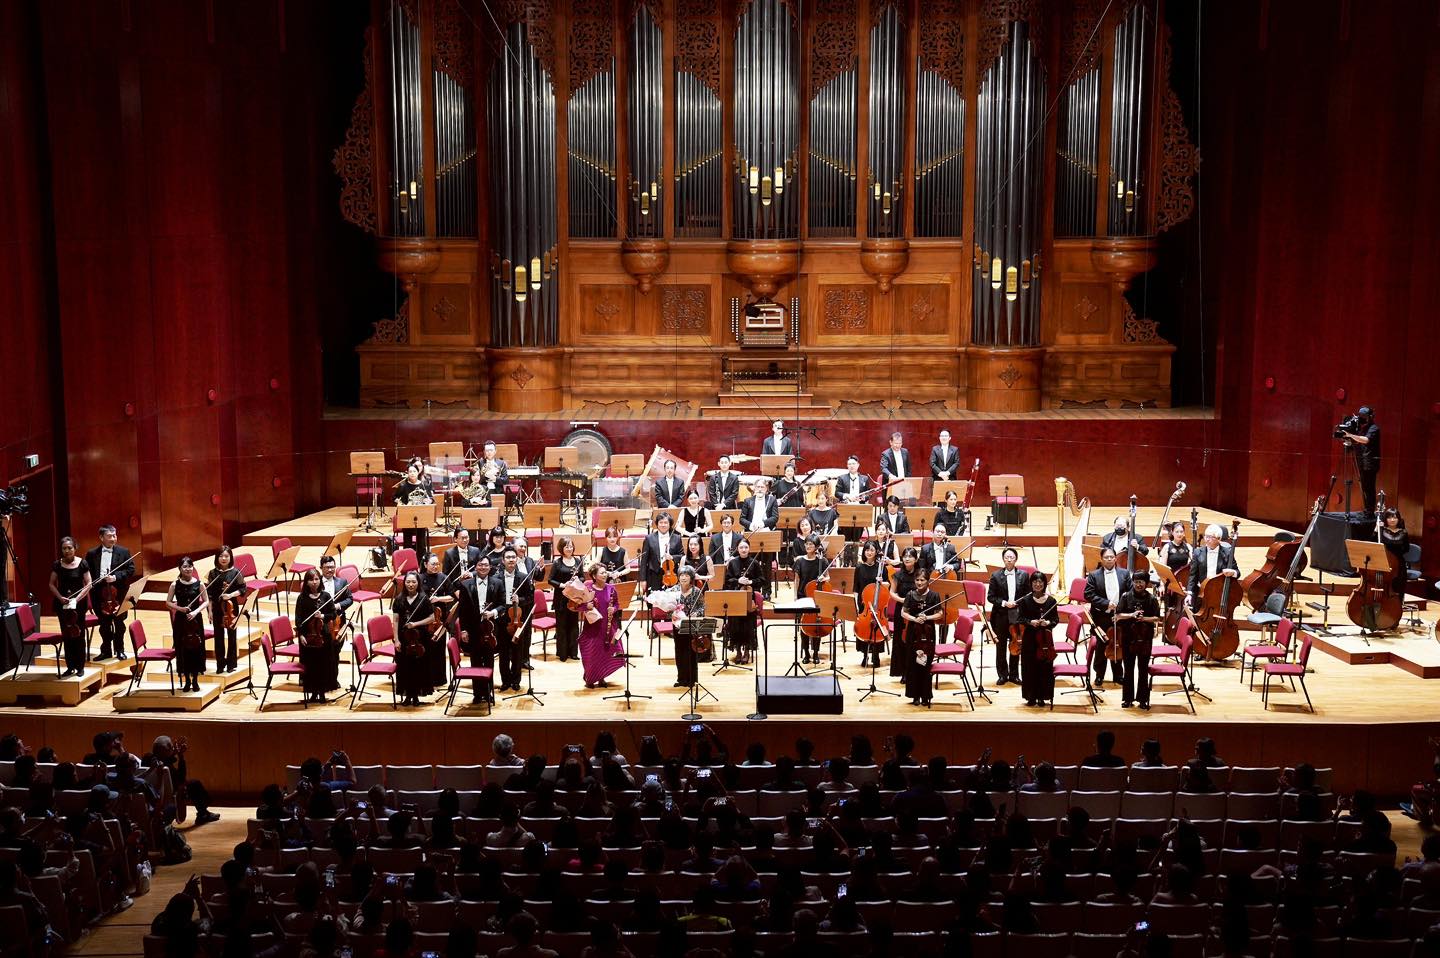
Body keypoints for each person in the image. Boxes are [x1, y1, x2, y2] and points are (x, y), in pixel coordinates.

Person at [85, 524, 134, 661]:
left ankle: (120, 650)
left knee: (119, 625)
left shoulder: (124, 552)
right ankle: (106, 651)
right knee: (104, 625)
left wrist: (115, 577)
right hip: (99, 594)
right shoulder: (92, 554)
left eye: (115, 535)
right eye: (110, 536)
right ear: (101, 537)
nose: (113, 538)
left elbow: (130, 570)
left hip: (118, 594)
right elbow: (86, 572)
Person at [1085, 548, 1133, 687]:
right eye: (1106, 557)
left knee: (1117, 644)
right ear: (1101, 559)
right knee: (1101, 647)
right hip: (1101, 616)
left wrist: (1121, 608)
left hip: (1119, 616)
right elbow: (1088, 594)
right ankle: (1099, 675)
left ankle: (1118, 675)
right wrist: (1106, 603)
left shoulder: (1124, 573)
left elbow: (1130, 593)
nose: (1109, 559)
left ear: (1115, 558)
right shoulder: (1094, 575)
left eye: (1112, 557)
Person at [1116, 571, 1162, 709]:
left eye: (1141, 582)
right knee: (1128, 669)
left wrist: (1144, 619)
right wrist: (1132, 615)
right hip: (1128, 638)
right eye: (1136, 581)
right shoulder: (1125, 596)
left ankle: (1143, 700)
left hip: (1145, 639)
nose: (1138, 584)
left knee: (1143, 669)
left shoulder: (1151, 599)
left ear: (1146, 583)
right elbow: (1118, 615)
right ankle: (1127, 699)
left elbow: (1157, 618)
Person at [392, 570, 437, 706]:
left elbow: (432, 618)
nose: (411, 585)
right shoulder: (399, 599)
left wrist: (415, 624)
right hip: (403, 638)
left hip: (420, 639)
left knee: (419, 667)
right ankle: (407, 696)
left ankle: (416, 696)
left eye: (413, 582)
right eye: (408, 582)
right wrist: (396, 640)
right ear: (404, 583)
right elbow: (395, 620)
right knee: (404, 667)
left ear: (418, 583)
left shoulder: (424, 598)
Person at [578, 564, 626, 689]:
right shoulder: (588, 589)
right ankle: (590, 678)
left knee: (604, 652)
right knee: (591, 653)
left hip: (607, 626)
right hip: (592, 627)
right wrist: (586, 606)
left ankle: (601, 677)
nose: (605, 575)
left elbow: (617, 604)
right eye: (602, 573)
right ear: (594, 576)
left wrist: (614, 609)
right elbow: (577, 605)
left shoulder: (611, 588)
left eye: (605, 572)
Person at [493, 547, 534, 692]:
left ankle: (516, 681)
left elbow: (530, 598)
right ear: (503, 560)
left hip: (517, 619)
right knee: (503, 652)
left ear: (516, 559)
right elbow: (494, 599)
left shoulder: (524, 577)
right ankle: (505, 681)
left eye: (513, 557)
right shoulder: (496, 578)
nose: (511, 560)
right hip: (502, 620)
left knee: (517, 652)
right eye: (508, 557)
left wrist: (519, 600)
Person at [50, 536, 92, 676]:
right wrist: (60, 597)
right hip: (62, 604)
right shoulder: (57, 564)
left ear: (75, 548)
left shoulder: (82, 563)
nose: (67, 551)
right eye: (64, 548)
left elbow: (89, 583)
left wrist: (77, 599)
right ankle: (70, 666)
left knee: (79, 635)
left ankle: (80, 667)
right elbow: (51, 584)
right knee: (66, 634)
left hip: (78, 605)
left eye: (69, 548)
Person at [1017, 571, 1059, 707]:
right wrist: (1031, 622)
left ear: (1044, 584)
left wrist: (1047, 623)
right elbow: (1020, 618)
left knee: (1044, 668)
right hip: (1030, 639)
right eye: (1035, 582)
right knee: (1029, 667)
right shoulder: (1025, 601)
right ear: (1031, 584)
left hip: (1045, 640)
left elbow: (1055, 620)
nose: (1037, 584)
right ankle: (1031, 697)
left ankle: (1042, 697)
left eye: (1040, 582)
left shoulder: (1051, 601)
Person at [902, 570, 942, 706]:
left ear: (928, 581)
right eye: (917, 580)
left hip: (928, 634)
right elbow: (903, 612)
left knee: (926, 664)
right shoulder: (910, 595)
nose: (919, 583)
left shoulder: (934, 595)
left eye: (922, 580)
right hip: (913, 633)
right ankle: (915, 696)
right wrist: (914, 619)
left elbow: (939, 613)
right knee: (913, 664)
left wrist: (927, 617)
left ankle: (925, 696)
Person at [166, 557, 206, 691]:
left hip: (195, 620)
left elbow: (206, 601)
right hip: (181, 621)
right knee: (182, 649)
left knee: (196, 649)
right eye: (184, 567)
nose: (188, 569)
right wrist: (180, 608)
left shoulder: (199, 584)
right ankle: (187, 680)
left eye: (190, 566)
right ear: (180, 569)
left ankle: (195, 680)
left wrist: (195, 611)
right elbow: (168, 602)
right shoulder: (174, 585)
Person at [205, 546, 245, 675]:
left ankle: (231, 664)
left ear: (230, 557)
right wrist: (209, 611)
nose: (223, 558)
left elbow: (243, 589)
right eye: (221, 556)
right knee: (218, 637)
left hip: (231, 608)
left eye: (226, 556)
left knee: (232, 636)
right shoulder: (212, 574)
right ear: (217, 558)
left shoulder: (236, 572)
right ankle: (220, 664)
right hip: (217, 608)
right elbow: (209, 595)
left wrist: (230, 595)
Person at [724, 541, 765, 666]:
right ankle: (738, 651)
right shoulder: (732, 563)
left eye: (746, 547)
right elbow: (727, 580)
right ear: (737, 548)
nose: (743, 549)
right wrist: (738, 581)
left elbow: (762, 580)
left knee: (747, 625)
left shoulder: (755, 563)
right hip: (735, 598)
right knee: (735, 624)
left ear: (749, 548)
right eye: (741, 547)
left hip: (749, 599)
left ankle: (747, 651)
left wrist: (751, 582)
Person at [988, 547, 1025, 686]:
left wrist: (1017, 603)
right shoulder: (996, 576)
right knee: (1001, 646)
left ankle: (1014, 675)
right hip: (1001, 615)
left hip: (1017, 615)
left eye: (1012, 557)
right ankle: (1002, 675)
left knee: (1016, 644)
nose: (1009, 560)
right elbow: (991, 597)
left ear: (1016, 559)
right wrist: (1004, 603)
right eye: (1007, 557)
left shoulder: (1023, 575)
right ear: (1003, 559)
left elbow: (1027, 595)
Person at [792, 536, 830, 664]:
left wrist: (824, 579)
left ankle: (816, 653)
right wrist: (795, 596)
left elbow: (828, 577)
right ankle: (806, 653)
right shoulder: (799, 561)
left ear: (816, 546)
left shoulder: (822, 561)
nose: (808, 546)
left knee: (817, 625)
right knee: (804, 625)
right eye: (807, 544)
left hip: (817, 597)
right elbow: (796, 580)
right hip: (803, 596)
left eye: (811, 544)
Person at [1187, 524, 1241, 608]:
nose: (1207, 539)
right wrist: (1189, 594)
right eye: (1206, 536)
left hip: (1220, 594)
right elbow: (1193, 575)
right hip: (1202, 593)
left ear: (1219, 539)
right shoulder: (1197, 553)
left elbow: (1238, 573)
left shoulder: (1227, 553)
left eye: (1210, 537)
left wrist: (1232, 572)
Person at [1339, 406, 1381, 515]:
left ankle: (1370, 511)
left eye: (1364, 416)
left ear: (1370, 417)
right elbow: (1358, 441)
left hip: (1370, 463)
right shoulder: (1362, 429)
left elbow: (1366, 440)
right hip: (1362, 461)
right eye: (1360, 416)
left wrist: (1350, 435)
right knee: (1365, 487)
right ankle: (1367, 510)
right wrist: (1349, 436)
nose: (1362, 418)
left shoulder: (1374, 428)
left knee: (1369, 488)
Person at [548, 536, 583, 662]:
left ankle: (573, 652)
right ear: (561, 548)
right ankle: (562, 653)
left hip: (574, 598)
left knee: (574, 625)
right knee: (562, 626)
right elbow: (550, 580)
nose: (569, 549)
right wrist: (562, 585)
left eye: (571, 546)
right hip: (561, 599)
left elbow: (583, 577)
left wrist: (577, 580)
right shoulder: (557, 563)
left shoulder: (578, 561)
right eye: (566, 546)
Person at [853, 541, 887, 668]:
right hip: (864, 604)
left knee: (877, 627)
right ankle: (865, 655)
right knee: (864, 628)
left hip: (878, 603)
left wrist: (882, 582)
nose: (869, 552)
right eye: (867, 550)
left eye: (872, 550)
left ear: (876, 552)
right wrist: (856, 605)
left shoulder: (881, 567)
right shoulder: (859, 567)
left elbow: (888, 585)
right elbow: (856, 587)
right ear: (864, 552)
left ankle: (876, 655)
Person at [889, 548, 921, 679]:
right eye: (905, 556)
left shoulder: (920, 575)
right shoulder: (898, 575)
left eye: (910, 556)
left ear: (916, 559)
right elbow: (892, 592)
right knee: (900, 640)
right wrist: (903, 600)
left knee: (914, 641)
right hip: (901, 610)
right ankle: (902, 671)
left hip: (916, 610)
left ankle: (914, 670)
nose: (907, 559)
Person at [671, 569, 706, 688]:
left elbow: (702, 607)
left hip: (691, 624)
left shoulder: (696, 591)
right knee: (679, 651)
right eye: (681, 575)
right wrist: (672, 613)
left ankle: (691, 679)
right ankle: (681, 679)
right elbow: (667, 606)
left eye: (686, 575)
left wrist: (696, 613)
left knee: (691, 651)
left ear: (691, 578)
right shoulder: (674, 590)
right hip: (677, 624)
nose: (683, 577)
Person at [393, 459, 434, 556]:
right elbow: (394, 498)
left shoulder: (423, 484)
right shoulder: (403, 485)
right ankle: (408, 560)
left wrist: (428, 501)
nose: (412, 473)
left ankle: (421, 561)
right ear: (407, 473)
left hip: (421, 515)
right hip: (407, 515)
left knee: (421, 542)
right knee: (407, 541)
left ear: (418, 472)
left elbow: (431, 499)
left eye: (414, 471)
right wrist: (401, 504)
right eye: (410, 471)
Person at [640, 512, 682, 593]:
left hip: (671, 575)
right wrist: (642, 579)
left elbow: (682, 556)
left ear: (670, 524)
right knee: (653, 599)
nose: (663, 525)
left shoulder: (676, 538)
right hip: (654, 575)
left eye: (666, 523)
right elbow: (644, 561)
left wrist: (672, 557)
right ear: (657, 524)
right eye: (661, 522)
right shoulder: (649, 538)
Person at [1379, 508, 1410, 595]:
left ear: (1398, 519)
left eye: (1395, 517)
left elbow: (1407, 548)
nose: (1392, 520)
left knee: (1399, 587)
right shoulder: (1381, 531)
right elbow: (1374, 544)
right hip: (1385, 563)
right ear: (1385, 519)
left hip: (1399, 563)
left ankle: (1398, 602)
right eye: (1389, 517)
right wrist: (1376, 530)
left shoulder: (1404, 532)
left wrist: (1395, 557)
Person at [475, 440, 510, 507]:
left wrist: (495, 479)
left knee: (498, 512)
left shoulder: (501, 463)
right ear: (484, 452)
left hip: (497, 491)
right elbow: (475, 479)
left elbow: (506, 480)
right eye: (487, 450)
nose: (489, 452)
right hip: (483, 492)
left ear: (495, 451)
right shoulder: (480, 463)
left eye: (491, 450)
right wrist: (486, 475)